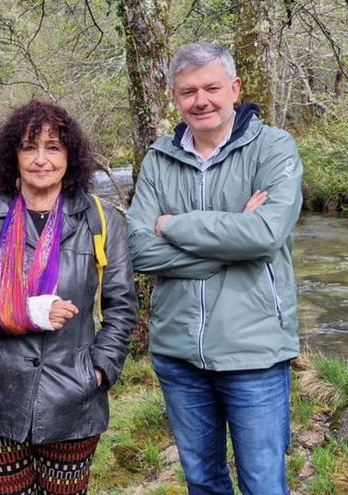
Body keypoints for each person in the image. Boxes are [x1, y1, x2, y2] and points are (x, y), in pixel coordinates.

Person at [127, 42, 303, 495]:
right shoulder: (159, 158)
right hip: (178, 353)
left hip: (254, 352)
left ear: (235, 89)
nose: (200, 100)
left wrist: (174, 225)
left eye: (211, 88)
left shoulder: (273, 147)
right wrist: (235, 237)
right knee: (203, 481)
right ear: (174, 97)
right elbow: (140, 252)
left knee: (263, 484)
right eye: (188, 91)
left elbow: (265, 236)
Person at [0, 100, 137, 495]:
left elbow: (121, 307)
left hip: (74, 394)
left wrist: (99, 370)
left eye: (53, 147)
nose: (41, 159)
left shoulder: (99, 220)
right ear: (12, 154)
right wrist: (27, 312)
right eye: (29, 147)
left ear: (71, 155)